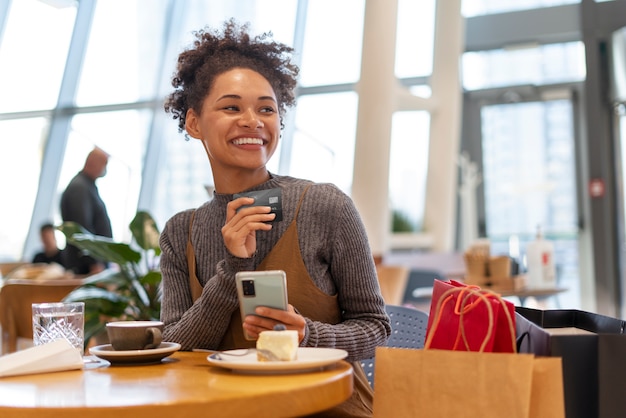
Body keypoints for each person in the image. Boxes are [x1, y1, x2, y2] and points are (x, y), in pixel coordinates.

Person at [159, 19, 391, 417]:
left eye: (266, 108)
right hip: (223, 409)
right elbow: (177, 346)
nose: (252, 120)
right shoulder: (182, 230)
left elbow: (375, 329)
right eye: (231, 107)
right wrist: (233, 269)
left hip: (327, 410)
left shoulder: (325, 206)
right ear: (194, 122)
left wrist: (308, 334)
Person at [60, 147, 113, 275]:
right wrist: (93, 262)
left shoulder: (86, 186)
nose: (105, 168)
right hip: (86, 268)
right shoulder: (80, 188)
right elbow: (81, 228)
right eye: (104, 163)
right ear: (92, 161)